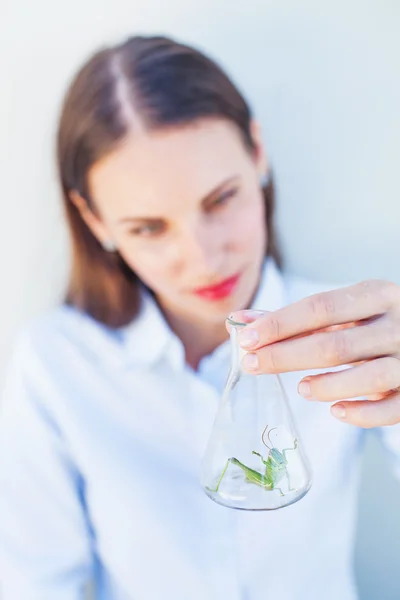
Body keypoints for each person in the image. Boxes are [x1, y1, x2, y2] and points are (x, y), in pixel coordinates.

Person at [0, 34, 399, 600]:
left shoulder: (360, 338)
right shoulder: (57, 366)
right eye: (149, 228)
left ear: (257, 153)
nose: (205, 257)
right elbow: (33, 584)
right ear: (95, 221)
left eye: (221, 200)